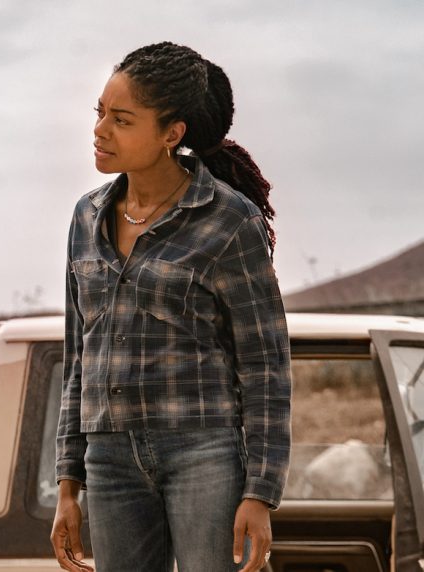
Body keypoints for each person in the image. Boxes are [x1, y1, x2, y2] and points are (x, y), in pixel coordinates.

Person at [50, 42, 291, 572]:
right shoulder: (85, 219)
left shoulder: (230, 222)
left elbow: (266, 367)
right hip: (108, 457)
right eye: (100, 113)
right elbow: (78, 361)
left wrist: (261, 493)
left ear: (171, 134)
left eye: (122, 119)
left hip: (204, 453)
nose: (100, 129)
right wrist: (68, 481)